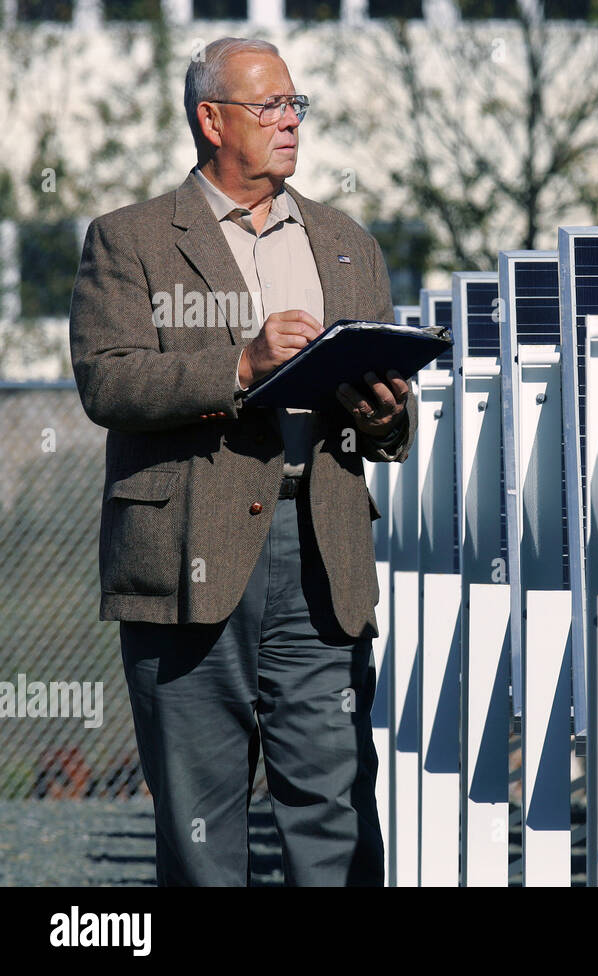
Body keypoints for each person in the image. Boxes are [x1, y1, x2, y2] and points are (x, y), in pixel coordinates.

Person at [68, 36, 415, 886]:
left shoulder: (346, 242)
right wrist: (242, 366)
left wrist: (386, 414)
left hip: (321, 551)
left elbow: (386, 430)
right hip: (187, 549)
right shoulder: (131, 240)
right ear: (211, 120)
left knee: (331, 802)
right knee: (200, 818)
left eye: (297, 104)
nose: (292, 122)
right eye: (271, 107)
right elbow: (109, 383)